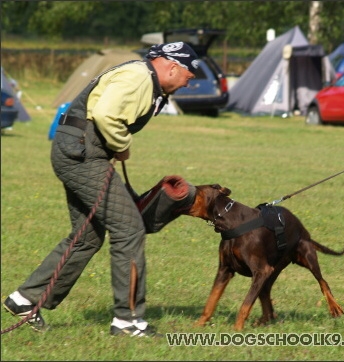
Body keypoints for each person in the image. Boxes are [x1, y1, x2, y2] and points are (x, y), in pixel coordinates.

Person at [3, 42, 198, 337]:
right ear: (172, 67)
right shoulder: (139, 77)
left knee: (88, 237)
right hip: (84, 154)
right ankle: (127, 321)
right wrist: (122, 147)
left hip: (77, 150)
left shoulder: (142, 76)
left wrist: (111, 148)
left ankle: (25, 300)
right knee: (129, 229)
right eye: (188, 75)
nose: (188, 82)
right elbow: (107, 115)